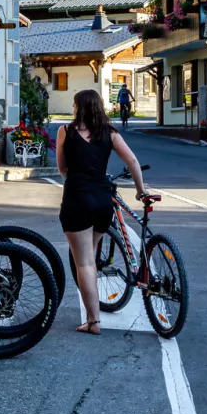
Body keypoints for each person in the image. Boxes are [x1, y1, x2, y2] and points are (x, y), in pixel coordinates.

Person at [56, 89, 147, 336]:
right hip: (103, 201)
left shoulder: (65, 131)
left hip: (77, 199)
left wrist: (75, 178)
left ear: (77, 107)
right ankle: (94, 314)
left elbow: (62, 167)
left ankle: (93, 322)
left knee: (84, 263)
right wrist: (140, 191)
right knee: (91, 256)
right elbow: (133, 162)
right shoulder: (110, 133)